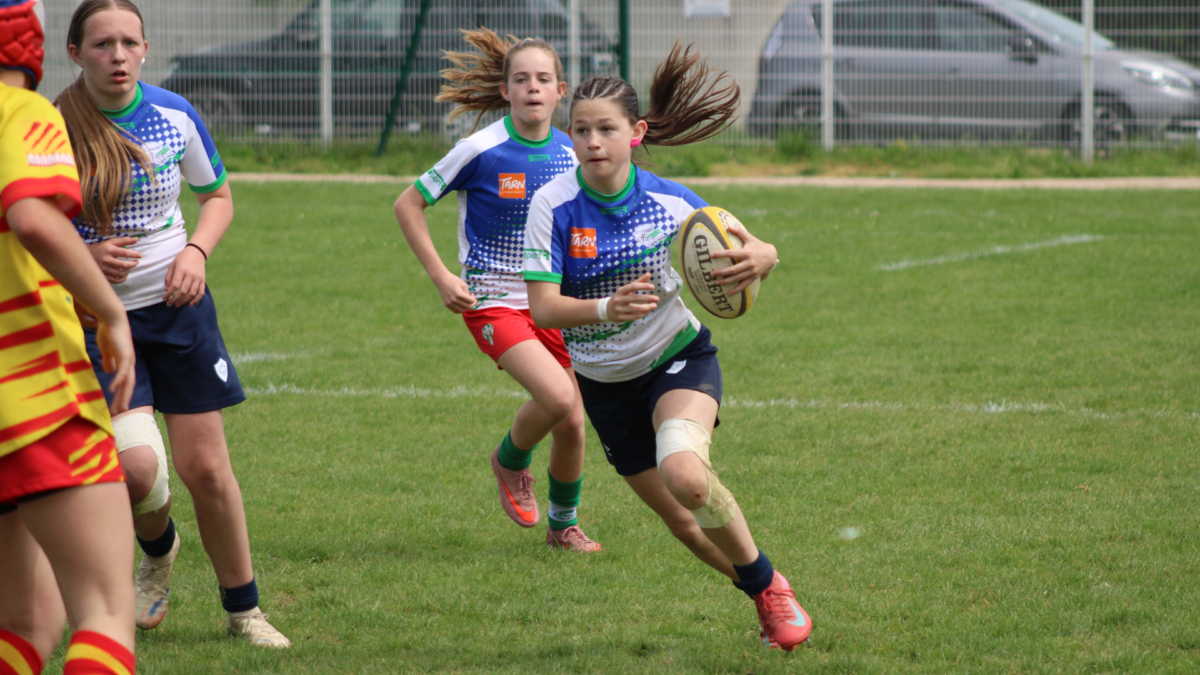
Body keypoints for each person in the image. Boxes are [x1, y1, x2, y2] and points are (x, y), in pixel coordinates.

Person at [522, 44, 812, 650]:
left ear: (636, 133)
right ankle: (764, 589)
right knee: (684, 523)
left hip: (676, 359)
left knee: (688, 477)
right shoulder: (552, 205)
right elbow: (543, 308)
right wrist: (606, 308)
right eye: (581, 130)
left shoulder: (672, 201)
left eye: (607, 129)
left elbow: (750, 245)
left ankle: (771, 592)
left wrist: (767, 254)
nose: (593, 141)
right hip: (605, 385)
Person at [56, 0, 289, 647]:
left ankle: (245, 611)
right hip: (97, 322)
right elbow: (28, 229)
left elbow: (217, 197)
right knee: (137, 471)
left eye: (130, 42)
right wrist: (84, 258)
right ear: (75, 53)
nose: (118, 55)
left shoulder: (174, 114)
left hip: (180, 314)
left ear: (146, 49)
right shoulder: (51, 129)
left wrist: (196, 252)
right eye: (102, 44)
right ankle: (158, 551)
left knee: (206, 469)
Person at [394, 29, 600, 551]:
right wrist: (442, 275)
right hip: (491, 299)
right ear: (506, 90)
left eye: (544, 79)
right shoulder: (479, 149)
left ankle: (563, 526)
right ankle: (509, 460)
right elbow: (408, 204)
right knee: (557, 398)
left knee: (573, 424)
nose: (533, 88)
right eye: (522, 79)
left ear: (561, 91)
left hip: (551, 303)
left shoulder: (572, 152)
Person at [0, 1, 141, 673]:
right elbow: (31, 215)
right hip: (31, 395)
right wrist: (110, 311)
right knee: (105, 611)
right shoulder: (23, 111)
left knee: (25, 622)